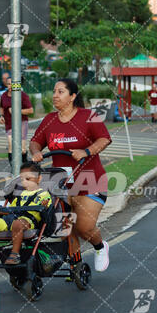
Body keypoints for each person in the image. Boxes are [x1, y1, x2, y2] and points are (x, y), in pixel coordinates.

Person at [29, 78, 111, 272]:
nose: (55, 95)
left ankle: (100, 247)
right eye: (54, 91)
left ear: (72, 96)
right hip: (60, 183)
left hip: (90, 181)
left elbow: (105, 139)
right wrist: (36, 152)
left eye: (61, 92)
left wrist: (87, 151)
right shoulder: (49, 119)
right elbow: (35, 141)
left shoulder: (88, 116)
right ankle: (76, 266)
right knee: (66, 229)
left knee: (84, 227)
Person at [0, 162, 51, 266]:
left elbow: (46, 211)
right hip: (11, 219)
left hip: (28, 221)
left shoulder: (43, 194)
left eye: (28, 179)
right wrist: (0, 210)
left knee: (18, 223)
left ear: (39, 179)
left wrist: (45, 206)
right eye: (22, 179)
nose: (24, 182)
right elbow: (11, 209)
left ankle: (15, 254)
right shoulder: (20, 194)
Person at [0, 77, 34, 167]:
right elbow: (1, 107)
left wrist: (17, 111)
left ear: (17, 85)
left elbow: (30, 110)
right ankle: (13, 166)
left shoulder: (22, 95)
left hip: (21, 122)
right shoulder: (4, 95)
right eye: (8, 84)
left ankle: (24, 164)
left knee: (22, 148)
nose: (10, 86)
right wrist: (1, 116)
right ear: (6, 85)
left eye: (13, 84)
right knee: (11, 144)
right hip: (9, 124)